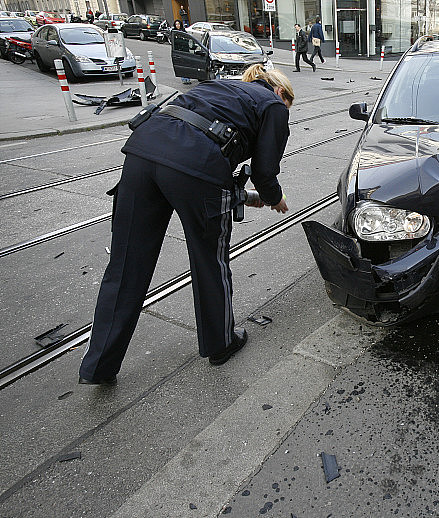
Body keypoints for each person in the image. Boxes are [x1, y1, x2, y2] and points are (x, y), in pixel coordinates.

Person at [78, 65, 294, 385]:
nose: (287, 109)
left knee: (125, 264)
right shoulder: (274, 105)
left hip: (142, 152)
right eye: (289, 102)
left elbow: (198, 143)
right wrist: (274, 197)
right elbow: (263, 171)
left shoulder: (220, 87)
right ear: (280, 92)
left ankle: (99, 365)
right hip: (194, 167)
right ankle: (220, 343)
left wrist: (243, 196)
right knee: (210, 260)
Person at [171, 20, 192, 84]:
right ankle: (184, 79)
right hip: (178, 52)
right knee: (181, 65)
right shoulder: (174, 32)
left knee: (187, 65)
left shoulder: (183, 31)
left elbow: (187, 40)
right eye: (176, 24)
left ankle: (188, 79)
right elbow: (175, 42)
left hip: (185, 51)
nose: (178, 25)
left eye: (179, 24)